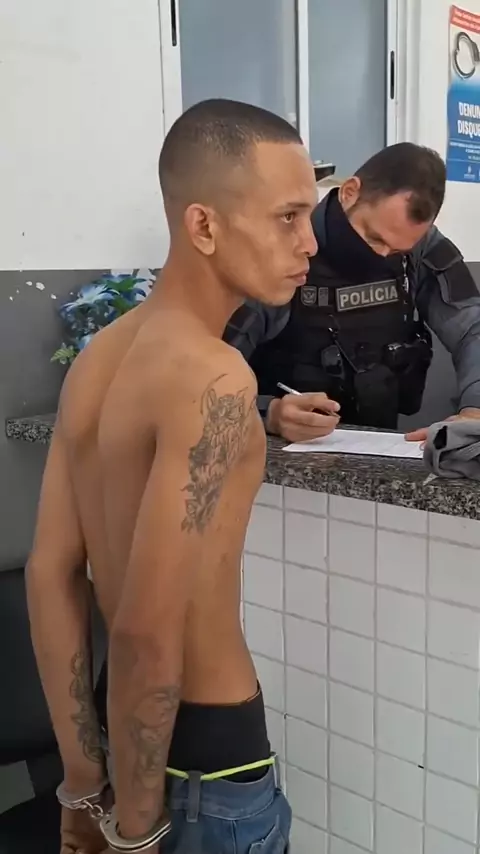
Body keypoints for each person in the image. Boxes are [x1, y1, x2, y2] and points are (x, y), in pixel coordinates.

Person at [26, 98, 318, 854]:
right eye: (288, 217)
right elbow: (146, 628)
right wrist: (135, 830)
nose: (310, 243)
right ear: (203, 226)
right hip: (205, 776)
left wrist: (84, 784)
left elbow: (50, 574)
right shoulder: (215, 376)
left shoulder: (97, 360)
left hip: (119, 745)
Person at [229, 143, 480, 442]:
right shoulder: (287, 246)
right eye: (374, 238)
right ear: (350, 192)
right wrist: (267, 413)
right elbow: (208, 366)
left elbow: (472, 327)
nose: (382, 255)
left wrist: (475, 410)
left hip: (377, 445)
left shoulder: (419, 246)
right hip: (279, 450)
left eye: (397, 250)